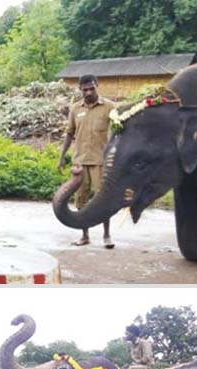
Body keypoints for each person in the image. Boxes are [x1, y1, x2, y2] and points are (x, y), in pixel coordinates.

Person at [57, 74, 116, 248]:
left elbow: (119, 132)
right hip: (80, 162)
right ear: (80, 90)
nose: (89, 92)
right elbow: (69, 133)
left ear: (97, 86)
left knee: (103, 198)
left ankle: (107, 235)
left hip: (101, 161)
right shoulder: (75, 108)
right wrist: (61, 157)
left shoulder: (110, 107)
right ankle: (85, 235)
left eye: (92, 88)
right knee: (81, 199)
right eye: (85, 89)